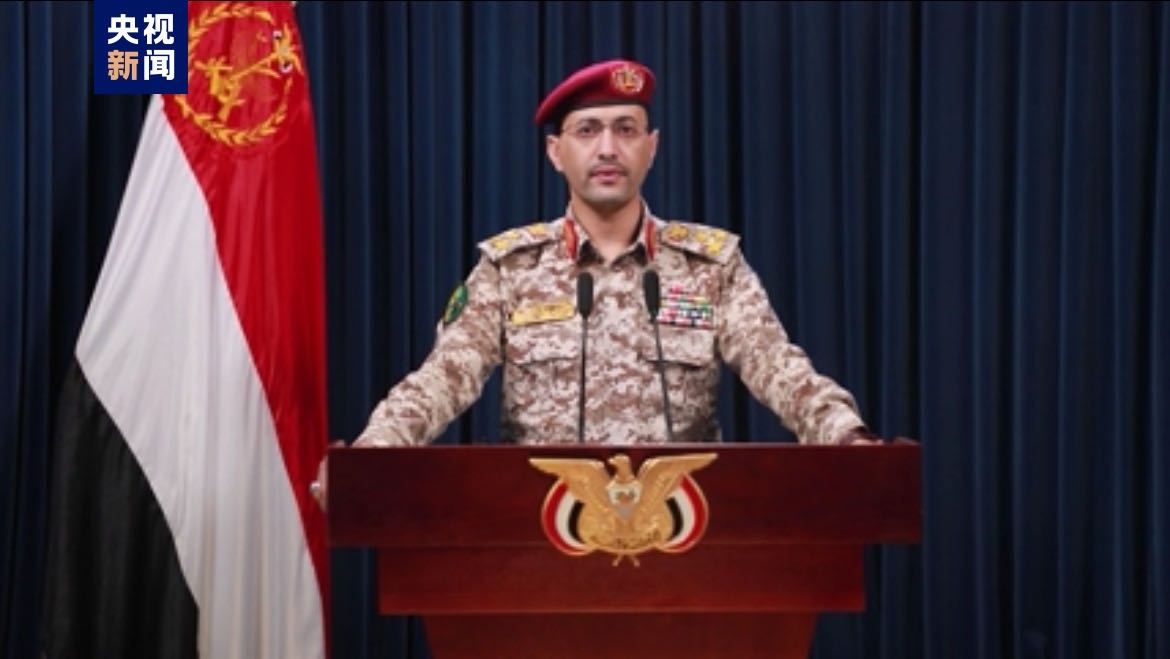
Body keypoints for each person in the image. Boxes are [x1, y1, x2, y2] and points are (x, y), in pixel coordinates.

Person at [310, 59, 878, 510]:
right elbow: (442, 379)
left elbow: (779, 368)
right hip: (537, 532)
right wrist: (372, 455)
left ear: (651, 147)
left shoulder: (709, 265)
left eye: (626, 129)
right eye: (587, 130)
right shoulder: (511, 268)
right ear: (556, 152)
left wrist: (846, 437)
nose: (608, 148)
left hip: (685, 533)